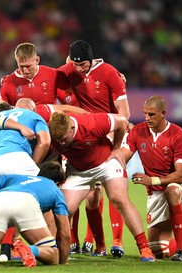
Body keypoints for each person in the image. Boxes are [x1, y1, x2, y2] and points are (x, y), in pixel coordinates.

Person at [48, 111, 155, 262]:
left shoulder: (91, 123)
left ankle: (145, 248)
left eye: (64, 139)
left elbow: (121, 121)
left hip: (106, 163)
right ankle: (56, 248)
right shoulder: (51, 131)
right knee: (63, 209)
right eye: (59, 140)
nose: (62, 143)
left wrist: (116, 148)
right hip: (78, 171)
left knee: (119, 199)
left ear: (72, 128)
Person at [58, 40, 129, 257]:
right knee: (73, 190)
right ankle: (75, 241)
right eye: (76, 66)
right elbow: (40, 77)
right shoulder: (64, 77)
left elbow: (123, 113)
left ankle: (113, 242)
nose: (80, 70)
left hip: (107, 132)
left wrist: (113, 135)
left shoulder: (109, 73)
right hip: (80, 136)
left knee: (108, 193)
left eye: (84, 65)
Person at [121, 96, 182, 261]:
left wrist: (152, 180)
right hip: (155, 193)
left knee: (171, 191)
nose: (147, 118)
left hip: (181, 186)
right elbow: (123, 157)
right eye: (145, 114)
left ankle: (181, 251)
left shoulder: (179, 135)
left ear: (163, 114)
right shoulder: (138, 131)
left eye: (151, 114)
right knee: (160, 251)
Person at [0, 42, 69, 106]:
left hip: (47, 121)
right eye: (21, 66)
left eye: (28, 66)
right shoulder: (8, 82)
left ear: (37, 60)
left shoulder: (53, 74)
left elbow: (72, 94)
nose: (25, 70)